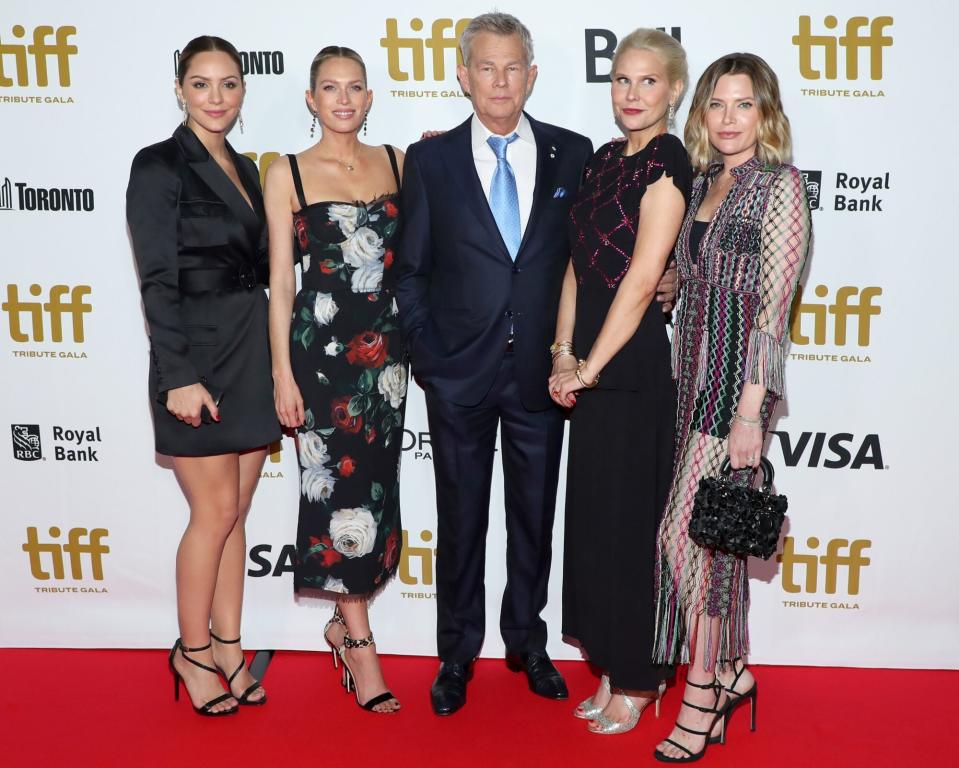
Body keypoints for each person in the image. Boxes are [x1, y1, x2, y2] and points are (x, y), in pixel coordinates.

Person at [395, 12, 677, 717]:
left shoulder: (576, 153)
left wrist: (664, 280)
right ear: (462, 76)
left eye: (512, 66)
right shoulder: (427, 162)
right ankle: (456, 653)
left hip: (544, 379)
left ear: (532, 74)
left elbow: (604, 253)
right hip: (458, 374)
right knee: (458, 522)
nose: (499, 80)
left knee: (535, 518)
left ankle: (527, 642)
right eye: (484, 67)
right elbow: (409, 271)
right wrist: (430, 355)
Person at [652, 53, 811, 762]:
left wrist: (752, 410)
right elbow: (692, 278)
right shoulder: (702, 181)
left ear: (764, 114)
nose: (726, 118)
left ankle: (704, 686)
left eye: (742, 105)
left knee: (686, 542)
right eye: (716, 104)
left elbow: (773, 311)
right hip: (689, 375)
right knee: (707, 541)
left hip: (733, 386)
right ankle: (728, 671)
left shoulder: (778, 187)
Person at [126, 35, 279, 716]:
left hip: (248, 349)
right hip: (196, 357)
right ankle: (189, 655)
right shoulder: (159, 166)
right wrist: (178, 376)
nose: (216, 98)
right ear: (179, 89)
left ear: (243, 91)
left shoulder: (246, 166)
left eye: (228, 84)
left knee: (237, 513)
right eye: (201, 84)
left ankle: (227, 645)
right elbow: (157, 280)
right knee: (211, 511)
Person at [550, 28, 691, 736]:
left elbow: (641, 279)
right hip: (590, 364)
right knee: (598, 525)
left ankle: (640, 677)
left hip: (631, 370)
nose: (631, 95)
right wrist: (559, 353)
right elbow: (576, 264)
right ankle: (608, 662)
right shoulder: (603, 160)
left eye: (647, 82)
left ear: (672, 90)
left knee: (634, 528)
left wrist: (592, 367)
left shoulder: (668, 161)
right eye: (621, 81)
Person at [265, 46, 405, 714]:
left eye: (354, 88)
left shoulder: (399, 162)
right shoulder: (284, 172)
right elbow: (278, 287)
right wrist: (279, 376)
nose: (343, 100)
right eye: (329, 88)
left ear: (369, 96)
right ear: (310, 99)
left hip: (386, 365)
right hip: (318, 361)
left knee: (374, 493)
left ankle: (341, 627)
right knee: (337, 496)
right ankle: (360, 644)